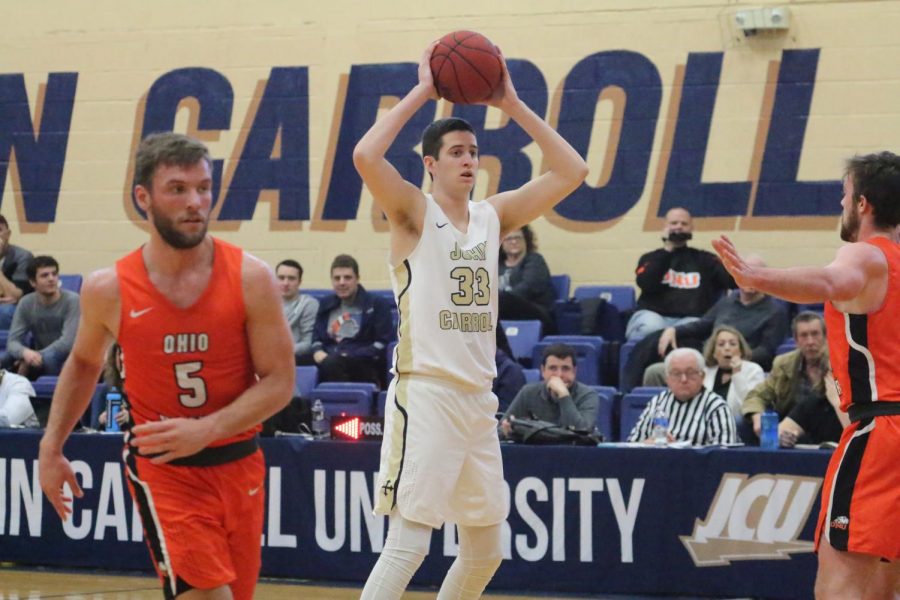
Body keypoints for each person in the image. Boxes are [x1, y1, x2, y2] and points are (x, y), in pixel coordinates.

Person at [352, 40, 587, 599]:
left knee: (486, 549)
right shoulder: (412, 212)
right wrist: (423, 90)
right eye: (456, 151)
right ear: (430, 164)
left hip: (478, 402)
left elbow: (573, 169)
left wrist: (510, 103)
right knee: (409, 544)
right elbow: (365, 156)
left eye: (473, 151)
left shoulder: (492, 216)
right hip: (428, 394)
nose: (468, 160)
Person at [37, 132, 295, 600]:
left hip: (239, 466)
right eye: (178, 189)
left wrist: (208, 428)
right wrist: (51, 447)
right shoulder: (108, 288)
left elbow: (280, 382)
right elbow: (82, 363)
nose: (195, 201)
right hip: (164, 470)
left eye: (203, 187)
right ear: (143, 198)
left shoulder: (251, 277)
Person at [712, 151, 900, 598]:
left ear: (863, 205)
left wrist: (756, 276)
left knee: (839, 589)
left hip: (882, 434)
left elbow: (832, 282)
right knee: (885, 589)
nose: (841, 203)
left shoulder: (868, 255)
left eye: (845, 194)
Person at [621, 254, 786, 391]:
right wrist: (673, 330)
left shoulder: (774, 311)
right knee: (654, 369)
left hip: (737, 368)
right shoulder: (728, 301)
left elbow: (766, 351)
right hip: (707, 359)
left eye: (756, 274)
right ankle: (633, 401)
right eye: (746, 273)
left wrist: (733, 358)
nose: (750, 279)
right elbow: (702, 325)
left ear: (765, 277)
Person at [626, 207, 734, 341]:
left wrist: (735, 260)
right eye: (674, 223)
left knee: (688, 334)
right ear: (665, 226)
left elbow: (733, 282)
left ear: (691, 228)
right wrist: (667, 249)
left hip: (689, 318)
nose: (679, 227)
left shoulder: (706, 259)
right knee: (651, 329)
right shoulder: (650, 258)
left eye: (684, 224)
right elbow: (646, 283)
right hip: (653, 315)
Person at [741, 312, 838, 445]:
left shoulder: (837, 363)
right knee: (744, 424)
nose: (810, 341)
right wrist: (758, 418)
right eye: (804, 336)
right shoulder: (784, 364)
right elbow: (756, 396)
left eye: (815, 334)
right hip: (789, 426)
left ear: (825, 337)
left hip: (827, 425)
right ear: (796, 340)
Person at [311, 254, 393, 387]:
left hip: (364, 363)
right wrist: (317, 351)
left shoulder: (377, 304)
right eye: (337, 278)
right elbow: (317, 337)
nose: (342, 282)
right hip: (329, 359)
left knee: (333, 363)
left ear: (357, 279)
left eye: (347, 278)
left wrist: (347, 355)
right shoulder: (326, 304)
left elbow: (382, 343)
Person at [628, 347, 737, 446]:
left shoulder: (717, 407)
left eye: (690, 373)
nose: (683, 379)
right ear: (667, 379)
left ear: (702, 376)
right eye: (676, 373)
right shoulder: (657, 402)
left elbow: (725, 454)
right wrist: (648, 443)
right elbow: (631, 445)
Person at [499, 343, 599, 438]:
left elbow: (582, 431)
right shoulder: (528, 392)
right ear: (543, 371)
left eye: (565, 369)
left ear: (574, 371)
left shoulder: (588, 395)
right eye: (553, 368)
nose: (559, 375)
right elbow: (499, 429)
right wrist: (507, 432)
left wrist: (563, 395)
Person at [3, 256, 80, 379]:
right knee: (4, 359)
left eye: (54, 274)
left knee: (49, 358)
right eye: (45, 275)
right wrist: (25, 353)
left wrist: (36, 355)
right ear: (33, 282)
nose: (51, 279)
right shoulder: (26, 303)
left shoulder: (73, 300)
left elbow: (67, 343)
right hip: (37, 358)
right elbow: (12, 342)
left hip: (66, 357)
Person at [498, 224, 557, 334]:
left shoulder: (535, 261)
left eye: (518, 238)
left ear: (526, 240)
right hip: (502, 311)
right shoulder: (496, 265)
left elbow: (528, 288)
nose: (514, 242)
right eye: (509, 239)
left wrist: (501, 299)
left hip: (534, 311)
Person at [276, 259, 319, 364]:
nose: (285, 283)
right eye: (281, 278)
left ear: (299, 281)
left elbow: (308, 343)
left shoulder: (309, 304)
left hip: (295, 358)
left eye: (291, 279)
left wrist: (280, 352)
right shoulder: (264, 304)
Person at [0, 214, 34, 329]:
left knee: (4, 311)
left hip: (17, 307)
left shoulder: (22, 257)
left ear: (8, 234)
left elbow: (14, 296)